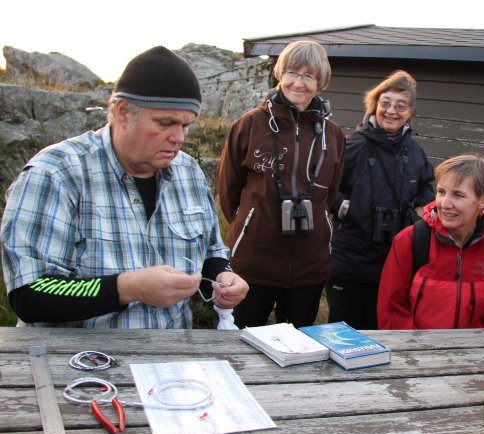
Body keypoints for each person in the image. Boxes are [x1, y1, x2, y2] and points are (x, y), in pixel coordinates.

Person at [0, 46, 248, 328]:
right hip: (80, 364)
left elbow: (211, 253)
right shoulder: (56, 174)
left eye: (187, 125)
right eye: (165, 123)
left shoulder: (189, 172)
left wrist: (223, 276)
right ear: (123, 112)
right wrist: (126, 288)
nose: (179, 137)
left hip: (173, 359)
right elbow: (31, 294)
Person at [216, 40, 346, 328]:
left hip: (308, 266)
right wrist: (249, 223)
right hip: (253, 261)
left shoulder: (334, 135)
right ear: (280, 74)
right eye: (292, 73)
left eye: (308, 76)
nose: (298, 83)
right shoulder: (251, 124)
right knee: (242, 343)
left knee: (298, 347)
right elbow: (228, 188)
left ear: (320, 81)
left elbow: (332, 191)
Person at [327, 70, 435, 330]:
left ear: (411, 112)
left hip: (393, 260)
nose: (391, 111)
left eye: (401, 105)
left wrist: (421, 211)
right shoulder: (352, 145)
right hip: (350, 258)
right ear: (374, 104)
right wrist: (344, 207)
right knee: (341, 331)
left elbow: (428, 185)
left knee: (379, 331)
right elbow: (327, 185)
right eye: (385, 103)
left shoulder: (415, 151)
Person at [377, 154, 484, 329]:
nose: (444, 203)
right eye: (441, 192)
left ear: (483, 200)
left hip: (479, 354)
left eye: (458, 195)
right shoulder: (410, 241)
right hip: (418, 353)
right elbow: (392, 310)